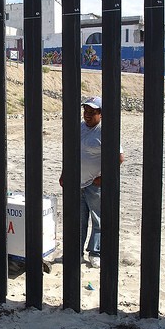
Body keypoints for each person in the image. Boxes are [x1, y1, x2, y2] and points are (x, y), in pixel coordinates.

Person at [60, 96, 124, 268]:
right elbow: (70, 152)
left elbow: (118, 158)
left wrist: (103, 178)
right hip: (76, 183)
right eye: (85, 111)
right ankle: (76, 253)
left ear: (101, 114)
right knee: (78, 220)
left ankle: (95, 253)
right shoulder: (79, 128)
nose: (87, 115)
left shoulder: (106, 131)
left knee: (98, 220)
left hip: (94, 186)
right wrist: (64, 173)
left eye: (92, 112)